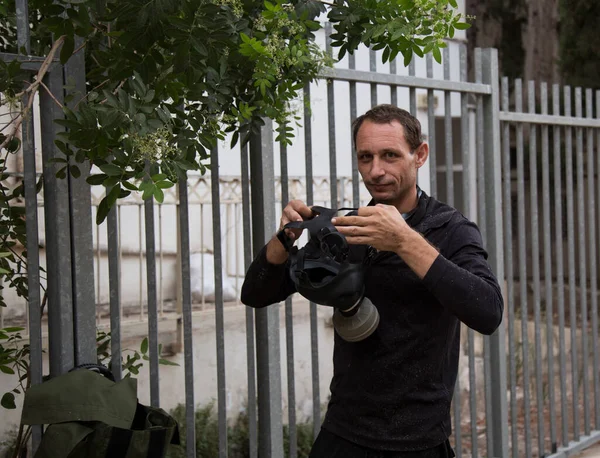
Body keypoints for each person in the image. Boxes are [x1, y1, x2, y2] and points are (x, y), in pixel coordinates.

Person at [240, 104, 504, 457]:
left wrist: (404, 240)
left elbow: (488, 311)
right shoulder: (348, 228)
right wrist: (284, 238)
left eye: (390, 155)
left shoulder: (451, 229)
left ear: (419, 155)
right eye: (365, 157)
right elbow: (255, 293)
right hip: (344, 432)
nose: (376, 170)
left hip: (418, 440)